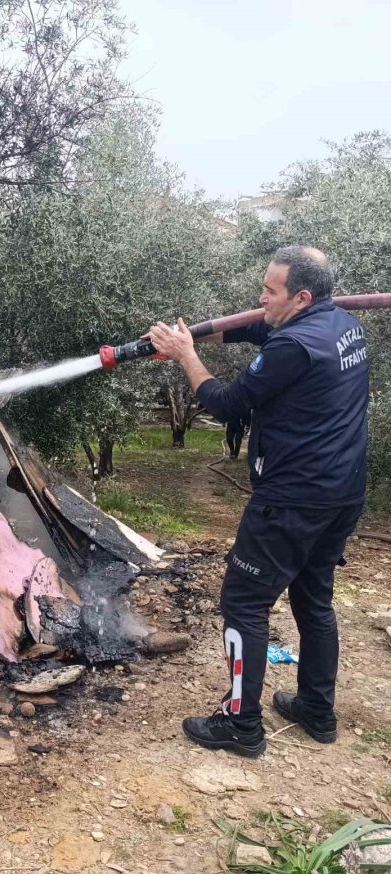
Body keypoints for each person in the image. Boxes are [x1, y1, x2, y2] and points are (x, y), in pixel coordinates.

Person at [148, 246, 369, 758]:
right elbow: (257, 327)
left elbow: (227, 404)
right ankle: (317, 710)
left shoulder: (294, 345)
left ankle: (240, 723)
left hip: (292, 499)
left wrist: (186, 356)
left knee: (244, 603)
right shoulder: (342, 325)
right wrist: (193, 334)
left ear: (302, 297)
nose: (261, 297)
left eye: (271, 291)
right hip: (341, 493)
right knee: (313, 600)